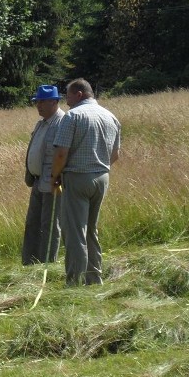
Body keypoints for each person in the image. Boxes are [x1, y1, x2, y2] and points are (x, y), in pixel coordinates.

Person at [51, 78, 121, 286]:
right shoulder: (111, 116)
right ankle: (94, 277)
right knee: (91, 229)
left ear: (79, 94)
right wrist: (98, 165)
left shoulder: (73, 116)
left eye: (68, 95)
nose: (66, 100)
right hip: (102, 177)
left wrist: (55, 176)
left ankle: (74, 280)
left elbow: (61, 153)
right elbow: (115, 154)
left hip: (77, 177)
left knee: (74, 231)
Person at [22, 85, 65, 265]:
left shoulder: (62, 122)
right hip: (38, 181)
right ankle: (30, 263)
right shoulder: (41, 123)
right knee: (33, 223)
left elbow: (62, 154)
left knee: (49, 225)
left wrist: (56, 177)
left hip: (53, 182)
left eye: (42, 101)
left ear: (54, 102)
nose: (38, 105)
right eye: (36, 102)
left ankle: (47, 263)